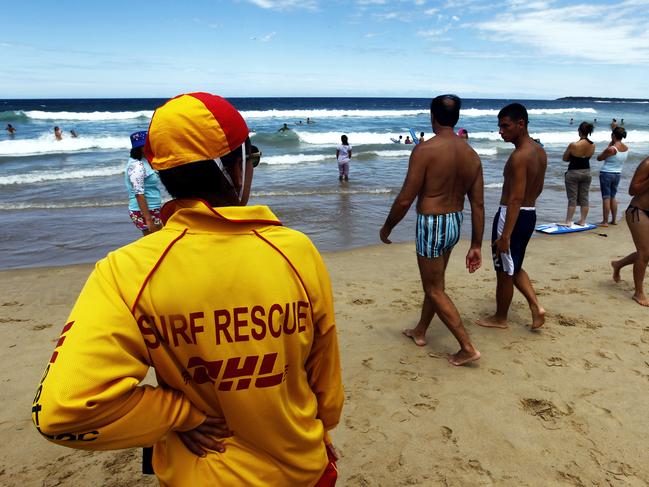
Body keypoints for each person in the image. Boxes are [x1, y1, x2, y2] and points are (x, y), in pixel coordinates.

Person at [31, 92, 343, 486]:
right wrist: (323, 426)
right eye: (252, 159)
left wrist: (179, 415)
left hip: (201, 473)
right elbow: (324, 379)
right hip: (299, 467)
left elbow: (61, 412)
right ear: (234, 167)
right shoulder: (296, 252)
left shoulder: (127, 271)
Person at [380, 94, 484, 366]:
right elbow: (479, 205)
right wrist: (476, 244)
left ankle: (467, 347)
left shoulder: (425, 150)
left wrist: (387, 227)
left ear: (432, 116)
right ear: (457, 118)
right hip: (455, 222)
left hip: (432, 223)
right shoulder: (471, 154)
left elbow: (406, 198)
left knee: (434, 288)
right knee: (436, 284)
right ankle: (421, 331)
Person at [477, 103, 547, 331]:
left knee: (504, 270)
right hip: (529, 214)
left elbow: (515, 198)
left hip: (511, 216)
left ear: (521, 124)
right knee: (514, 266)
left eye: (505, 126)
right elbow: (537, 188)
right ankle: (536, 307)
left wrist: (505, 234)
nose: (500, 131)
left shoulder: (520, 156)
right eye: (499, 126)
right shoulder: (539, 151)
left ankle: (501, 318)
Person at [611, 156, 649, 306]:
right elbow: (632, 190)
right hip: (638, 211)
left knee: (647, 252)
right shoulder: (647, 164)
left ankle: (618, 264)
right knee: (644, 253)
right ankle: (638, 293)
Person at [125, 130, 163, 235]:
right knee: (156, 243)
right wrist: (148, 219)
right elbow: (139, 194)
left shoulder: (145, 160)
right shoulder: (137, 166)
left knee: (158, 241)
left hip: (152, 208)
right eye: (148, 145)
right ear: (140, 148)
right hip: (145, 211)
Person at [562, 121, 595, 226]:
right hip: (586, 172)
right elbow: (588, 157)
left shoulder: (573, 145)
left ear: (579, 131)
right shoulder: (592, 145)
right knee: (584, 198)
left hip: (573, 172)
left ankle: (568, 221)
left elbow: (565, 158)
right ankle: (582, 221)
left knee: (572, 198)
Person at [596, 126, 629, 226]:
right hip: (617, 173)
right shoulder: (626, 148)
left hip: (606, 173)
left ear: (613, 135)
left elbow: (599, 158)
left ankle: (605, 221)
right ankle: (614, 220)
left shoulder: (611, 149)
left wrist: (609, 146)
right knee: (613, 197)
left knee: (606, 197)